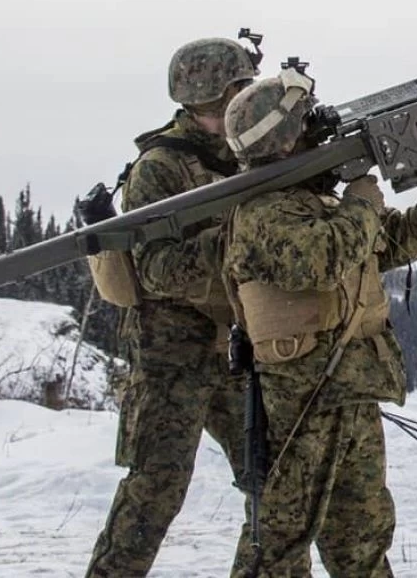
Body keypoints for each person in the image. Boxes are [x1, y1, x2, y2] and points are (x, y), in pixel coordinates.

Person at [218, 69, 417, 577]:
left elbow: (399, 241)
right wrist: (363, 201)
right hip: (302, 400)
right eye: (305, 121)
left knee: (362, 534)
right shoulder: (262, 213)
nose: (316, 127)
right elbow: (323, 259)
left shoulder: (320, 202)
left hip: (353, 389)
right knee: (279, 540)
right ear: (283, 138)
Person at [85, 36, 259, 577]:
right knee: (154, 492)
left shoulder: (249, 150)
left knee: (272, 480)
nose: (242, 103)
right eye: (233, 94)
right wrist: (239, 244)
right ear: (203, 99)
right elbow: (155, 270)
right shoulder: (160, 167)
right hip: (170, 355)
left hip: (233, 349)